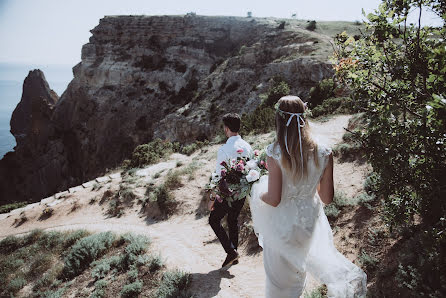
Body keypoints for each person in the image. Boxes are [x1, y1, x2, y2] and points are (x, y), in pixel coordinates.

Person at [249, 96, 367, 297]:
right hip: (308, 223)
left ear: (279, 121)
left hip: (280, 224)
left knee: (278, 283)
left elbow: (274, 198)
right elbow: (327, 198)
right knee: (297, 276)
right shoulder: (324, 152)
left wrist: (257, 191)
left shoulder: (275, 152)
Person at [208, 113, 253, 268]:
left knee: (213, 220)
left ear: (226, 129)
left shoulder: (224, 149)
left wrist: (212, 199)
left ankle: (231, 251)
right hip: (242, 192)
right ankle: (234, 253)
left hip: (227, 194)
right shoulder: (247, 146)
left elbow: (218, 176)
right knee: (232, 219)